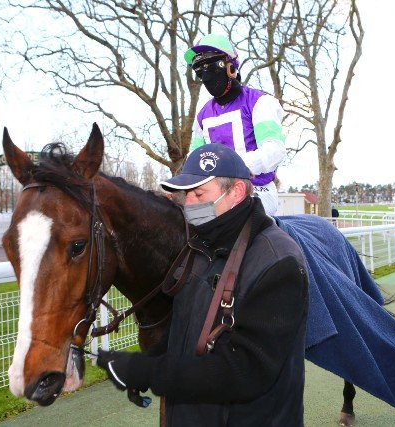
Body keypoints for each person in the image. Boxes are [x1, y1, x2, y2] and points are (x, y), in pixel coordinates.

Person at [97, 143, 309, 426]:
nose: (189, 205)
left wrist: (146, 371)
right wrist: (146, 364)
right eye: (186, 195)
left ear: (236, 192)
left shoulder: (278, 260)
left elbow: (246, 372)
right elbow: (185, 329)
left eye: (199, 194)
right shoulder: (199, 246)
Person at [184, 33, 286, 216]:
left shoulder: (260, 102)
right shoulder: (203, 114)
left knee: (225, 213)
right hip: (216, 193)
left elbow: (274, 150)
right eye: (199, 70)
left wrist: (230, 169)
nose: (206, 76)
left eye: (212, 67)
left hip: (258, 190)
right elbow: (194, 157)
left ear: (231, 67)